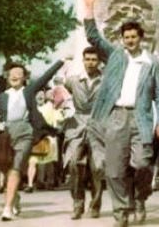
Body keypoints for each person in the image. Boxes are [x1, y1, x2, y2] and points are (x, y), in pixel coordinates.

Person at [82, 0, 159, 227]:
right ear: (122, 39)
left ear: (141, 38)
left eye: (133, 37)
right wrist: (89, 8)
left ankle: (140, 198)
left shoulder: (152, 62)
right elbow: (94, 38)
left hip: (141, 118)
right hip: (116, 117)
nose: (130, 40)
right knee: (114, 170)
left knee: (142, 163)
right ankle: (121, 213)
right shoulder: (115, 55)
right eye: (126, 37)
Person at [0, 60, 66, 221]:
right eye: (12, 74)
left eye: (19, 74)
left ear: (25, 77)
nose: (15, 76)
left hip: (25, 132)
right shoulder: (2, 96)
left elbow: (46, 76)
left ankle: (7, 208)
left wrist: (61, 61)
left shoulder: (29, 91)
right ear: (7, 77)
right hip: (6, 134)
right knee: (6, 169)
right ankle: (14, 197)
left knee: (16, 167)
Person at [62, 46, 104, 220]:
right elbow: (62, 91)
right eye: (87, 59)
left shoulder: (106, 81)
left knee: (97, 167)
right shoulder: (73, 81)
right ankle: (78, 204)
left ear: (99, 62)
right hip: (77, 126)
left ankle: (95, 205)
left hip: (98, 124)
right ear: (83, 60)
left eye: (94, 60)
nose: (91, 63)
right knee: (74, 164)